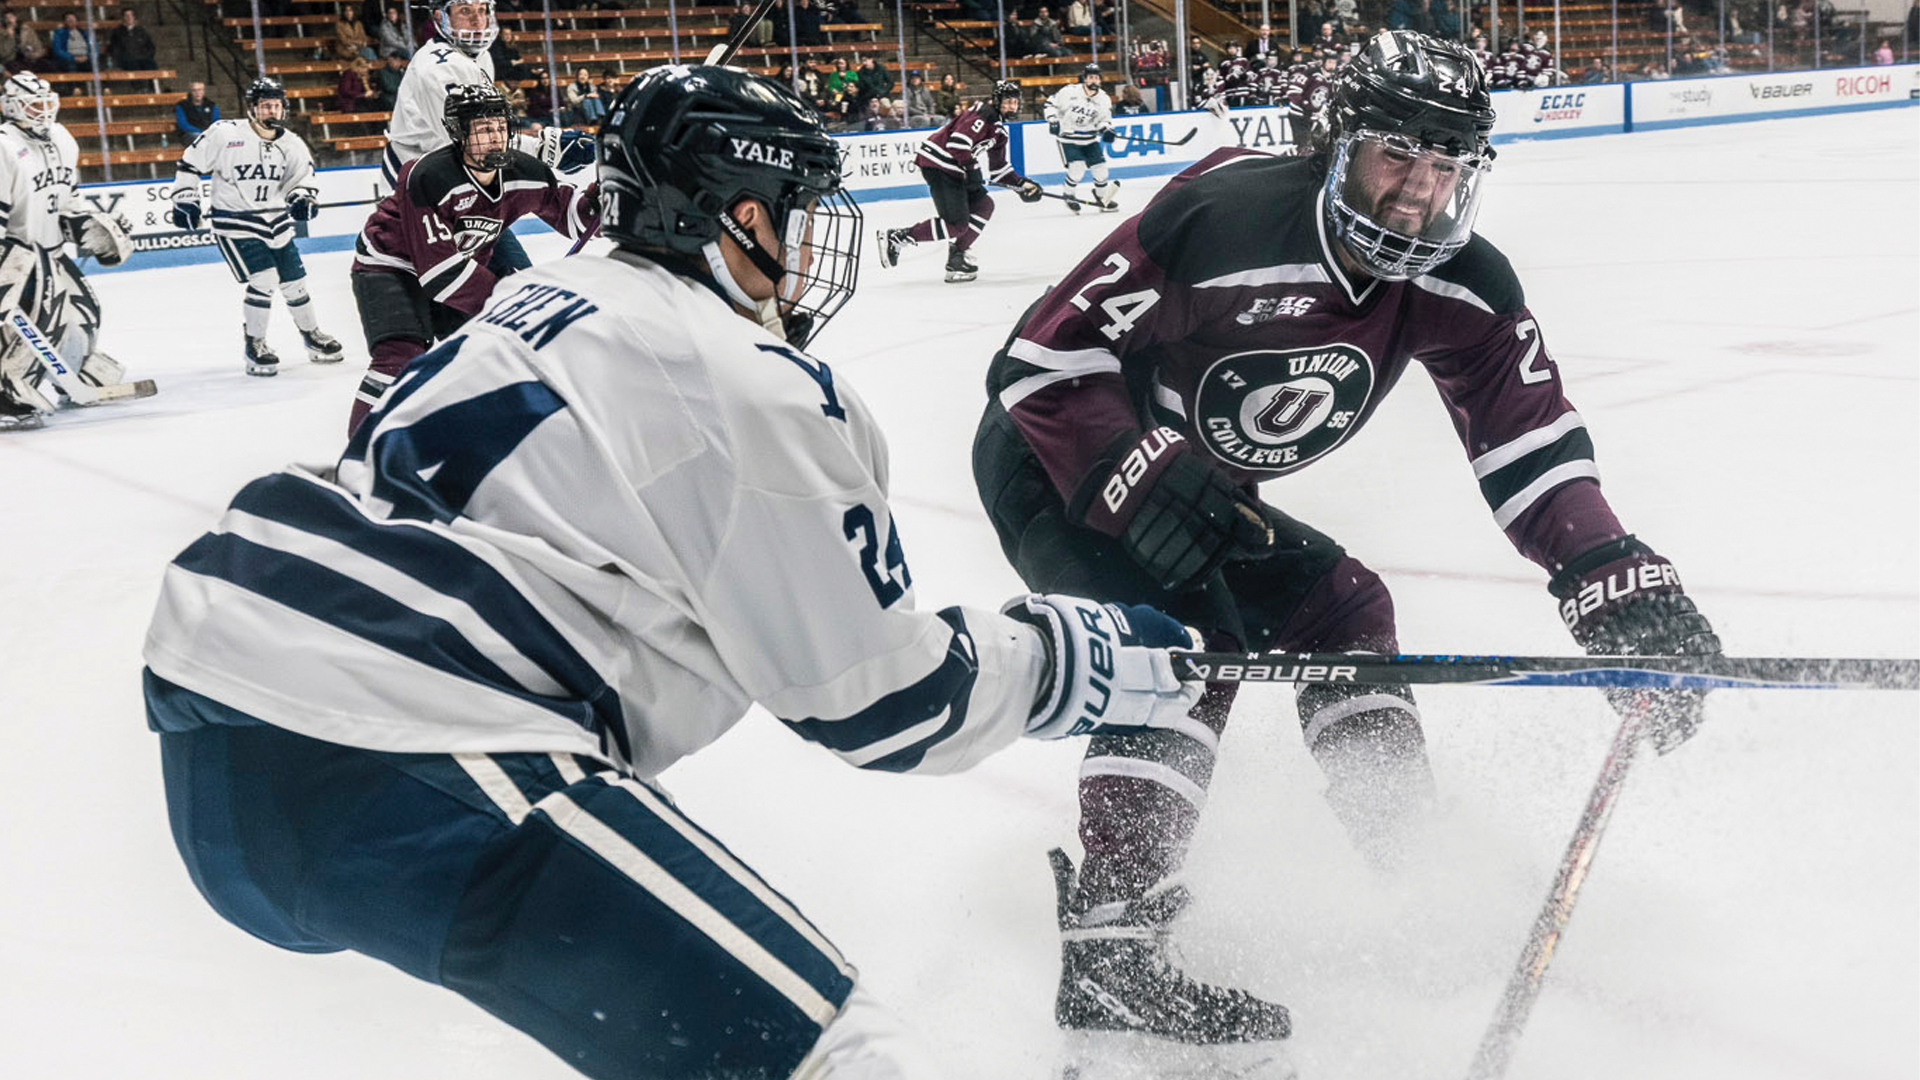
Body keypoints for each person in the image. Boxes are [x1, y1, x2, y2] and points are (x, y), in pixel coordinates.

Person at [141, 63, 1210, 1079]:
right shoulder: (748, 382)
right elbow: (886, 704)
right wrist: (1088, 655)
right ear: (738, 215)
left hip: (228, 735)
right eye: (788, 206)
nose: (800, 240)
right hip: (398, 744)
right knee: (825, 1054)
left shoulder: (545, 296)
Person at [970, 30, 1722, 1066]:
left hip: (1200, 484)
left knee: (1344, 609)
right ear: (1334, 143)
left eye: (1447, 166)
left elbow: (1529, 441)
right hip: (1053, 465)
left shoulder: (1463, 285)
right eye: (1396, 158)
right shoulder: (1223, 214)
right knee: (1185, 648)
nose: (1420, 194)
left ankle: (1414, 872)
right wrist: (1133, 461)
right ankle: (1113, 949)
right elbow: (1040, 362)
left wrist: (1603, 569)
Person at [347, 83, 597, 433]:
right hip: (389, 265)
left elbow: (574, 217)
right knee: (400, 356)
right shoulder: (428, 176)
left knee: (487, 349)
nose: (495, 138)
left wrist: (604, 197)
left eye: (499, 128)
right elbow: (440, 273)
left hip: (456, 264)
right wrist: (505, 298)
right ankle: (360, 446)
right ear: (459, 134)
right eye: (482, 130)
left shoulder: (523, 171)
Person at [382, 0, 593, 276]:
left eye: (482, 10)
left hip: (459, 176)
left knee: (508, 280)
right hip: (422, 188)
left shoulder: (480, 57)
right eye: (465, 11)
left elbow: (484, 134)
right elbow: (473, 142)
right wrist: (544, 148)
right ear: (439, 16)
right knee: (467, 286)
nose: (477, 20)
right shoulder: (436, 67)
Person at [169, 77, 344, 377]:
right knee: (264, 278)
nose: (271, 111)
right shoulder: (225, 133)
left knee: (295, 283)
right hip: (235, 224)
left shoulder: (291, 143)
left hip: (276, 224)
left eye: (276, 105)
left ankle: (311, 335)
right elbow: (190, 163)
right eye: (265, 106)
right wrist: (185, 198)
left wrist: (302, 198)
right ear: (252, 109)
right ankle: (256, 344)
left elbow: (302, 178)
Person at [0, 71, 144, 428]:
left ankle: (72, 371)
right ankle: (8, 393)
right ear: (12, 106)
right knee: (36, 327)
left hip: (53, 251)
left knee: (85, 312)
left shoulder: (62, 139)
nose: (43, 113)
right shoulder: (3, 146)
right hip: (17, 254)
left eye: (48, 104)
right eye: (35, 106)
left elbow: (68, 199)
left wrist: (85, 225)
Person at [875, 79, 1043, 283]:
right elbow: (958, 143)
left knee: (984, 205)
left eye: (1014, 102)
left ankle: (957, 258)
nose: (1011, 106)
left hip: (955, 168)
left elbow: (998, 169)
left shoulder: (999, 131)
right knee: (956, 224)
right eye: (1007, 101)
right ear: (996, 100)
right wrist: (972, 169)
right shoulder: (984, 113)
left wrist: (1022, 185)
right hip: (939, 165)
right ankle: (898, 237)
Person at [1044, 64, 1117, 213]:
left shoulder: (1103, 98)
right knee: (1077, 168)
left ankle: (1102, 197)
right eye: (1090, 77)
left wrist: (1106, 129)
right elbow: (1050, 104)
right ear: (1084, 79)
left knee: (1101, 171)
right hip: (1068, 139)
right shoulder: (1069, 91)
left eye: (1096, 78)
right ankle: (1069, 195)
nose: (1093, 81)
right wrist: (1053, 120)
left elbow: (1103, 120)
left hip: (1089, 140)